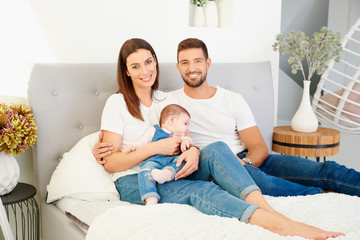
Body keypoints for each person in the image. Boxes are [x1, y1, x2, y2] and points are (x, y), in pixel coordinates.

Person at [98, 37, 343, 239]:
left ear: (156, 63)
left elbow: (189, 140)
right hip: (137, 179)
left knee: (215, 148)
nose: (145, 71)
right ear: (126, 71)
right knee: (202, 190)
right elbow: (111, 163)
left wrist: (193, 151)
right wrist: (156, 148)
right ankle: (278, 225)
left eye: (148, 62)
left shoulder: (168, 100)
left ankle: (270, 212)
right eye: (136, 66)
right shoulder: (116, 103)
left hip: (174, 169)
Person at [123, 104, 194, 205]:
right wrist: (132, 146)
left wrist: (186, 141)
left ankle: (167, 174)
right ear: (172, 120)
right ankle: (150, 198)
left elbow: (189, 142)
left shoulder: (181, 137)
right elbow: (141, 142)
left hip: (171, 161)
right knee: (145, 170)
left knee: (182, 161)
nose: (187, 128)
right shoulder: (154, 130)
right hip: (154, 160)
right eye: (185, 124)